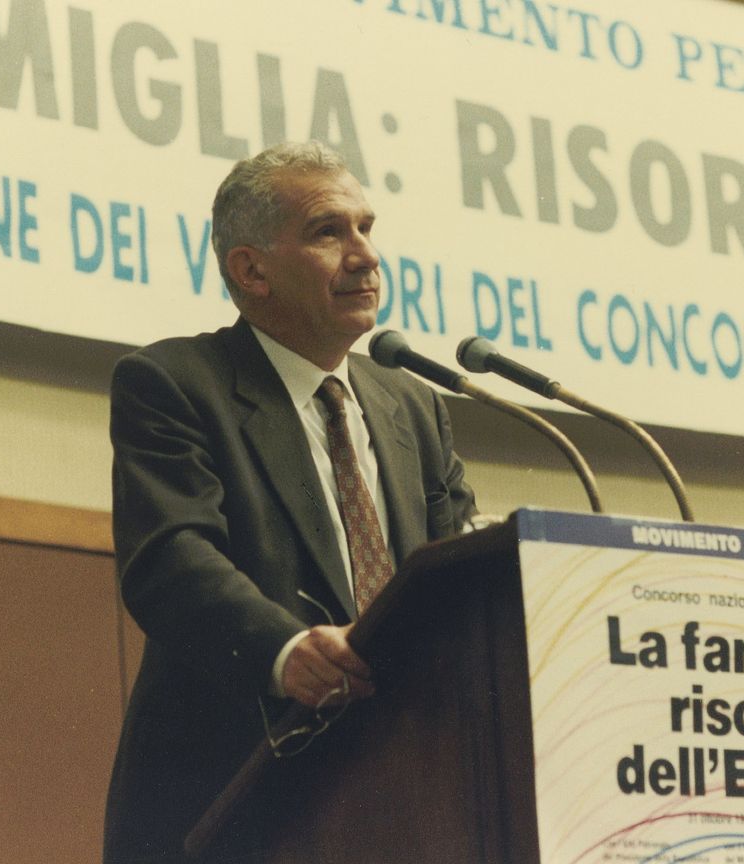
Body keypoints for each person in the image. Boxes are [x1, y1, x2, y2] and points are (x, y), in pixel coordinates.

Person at [102, 141, 478, 863]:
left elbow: (451, 572)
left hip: (413, 798)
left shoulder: (413, 408)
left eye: (367, 228)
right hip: (234, 801)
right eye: (329, 232)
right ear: (252, 269)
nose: (366, 256)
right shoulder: (176, 384)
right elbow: (172, 560)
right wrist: (286, 651)